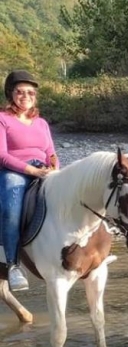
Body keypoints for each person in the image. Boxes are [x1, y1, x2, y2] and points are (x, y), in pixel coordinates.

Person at [0, 70, 59, 291]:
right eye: (20, 92)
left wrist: (54, 168)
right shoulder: (2, 119)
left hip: (43, 169)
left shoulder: (41, 123)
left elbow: (51, 152)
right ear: (11, 94)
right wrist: (31, 172)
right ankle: (13, 265)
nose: (25, 96)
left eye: (30, 92)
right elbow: (2, 155)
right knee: (11, 209)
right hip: (14, 171)